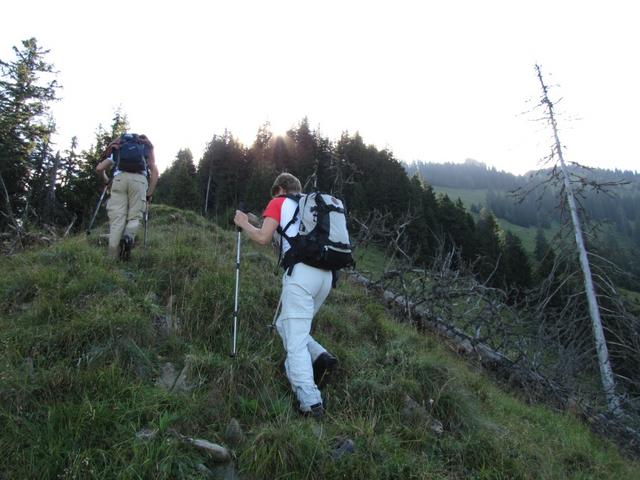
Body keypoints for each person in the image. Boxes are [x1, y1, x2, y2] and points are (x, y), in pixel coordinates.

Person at [233, 172, 338, 418]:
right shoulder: (312, 207)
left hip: (301, 275)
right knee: (285, 324)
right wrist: (255, 220)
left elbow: (263, 237)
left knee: (295, 341)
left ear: (280, 189)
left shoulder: (279, 201)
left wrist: (242, 223)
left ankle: (310, 402)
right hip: (325, 276)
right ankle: (320, 357)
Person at [96, 133, 159, 260]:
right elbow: (155, 172)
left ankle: (112, 257)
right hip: (139, 181)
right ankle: (128, 237)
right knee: (134, 217)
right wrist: (149, 194)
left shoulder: (119, 148)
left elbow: (99, 169)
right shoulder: (145, 148)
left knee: (117, 220)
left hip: (119, 180)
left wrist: (107, 181)